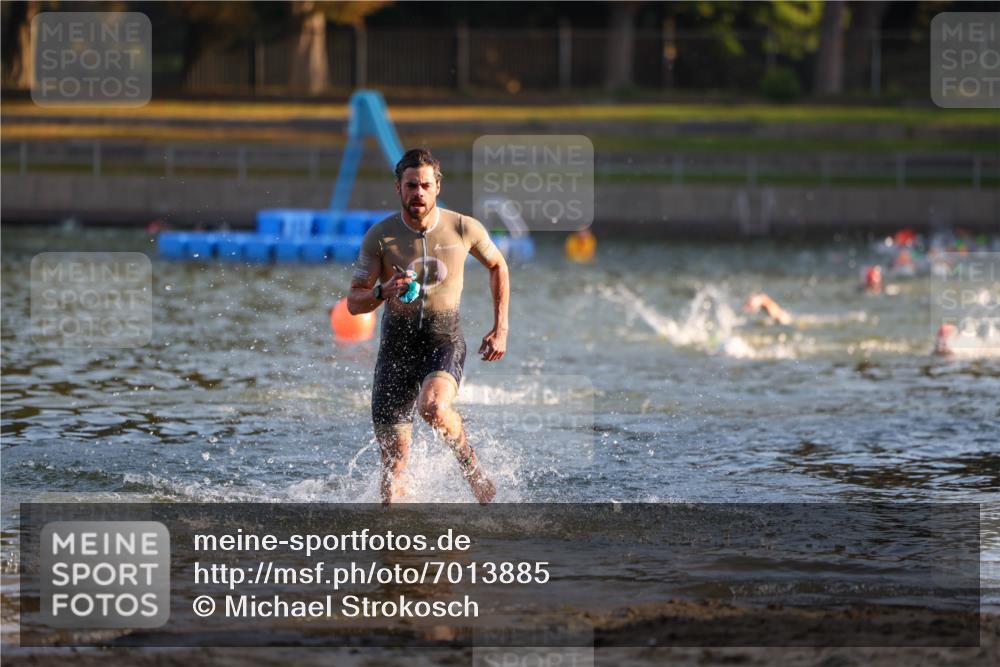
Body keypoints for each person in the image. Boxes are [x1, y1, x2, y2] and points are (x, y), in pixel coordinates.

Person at [347, 148, 509, 505]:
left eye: (424, 185)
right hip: (396, 347)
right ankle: (397, 551)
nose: (417, 193)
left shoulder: (463, 227)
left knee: (433, 408)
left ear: (437, 186)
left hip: (443, 338)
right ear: (398, 189)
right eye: (410, 186)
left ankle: (472, 470)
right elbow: (353, 302)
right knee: (393, 474)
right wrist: (382, 291)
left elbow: (498, 266)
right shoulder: (380, 237)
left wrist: (501, 328)